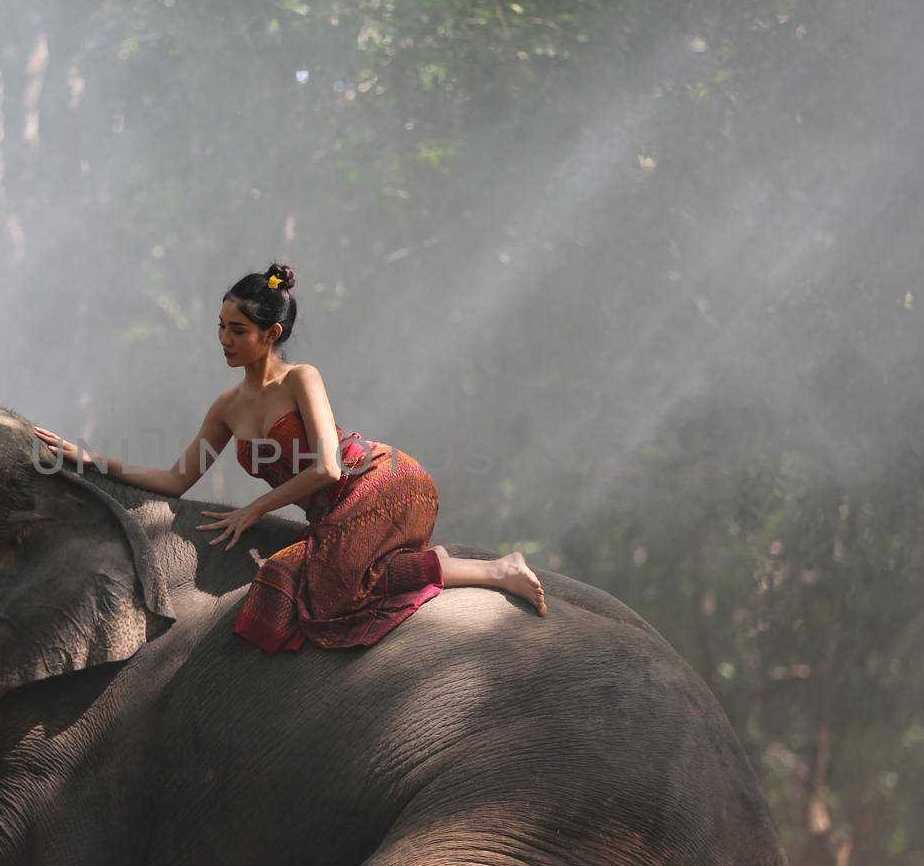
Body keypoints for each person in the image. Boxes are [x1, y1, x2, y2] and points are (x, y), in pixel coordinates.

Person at [34, 261, 546, 657]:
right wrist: (90, 459)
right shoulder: (227, 407)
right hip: (334, 511)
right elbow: (175, 480)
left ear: (271, 334)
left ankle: (498, 571)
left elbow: (327, 467)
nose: (225, 340)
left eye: (238, 330)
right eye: (221, 327)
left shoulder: (303, 377)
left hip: (381, 481)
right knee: (286, 585)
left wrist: (253, 510)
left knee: (331, 594)